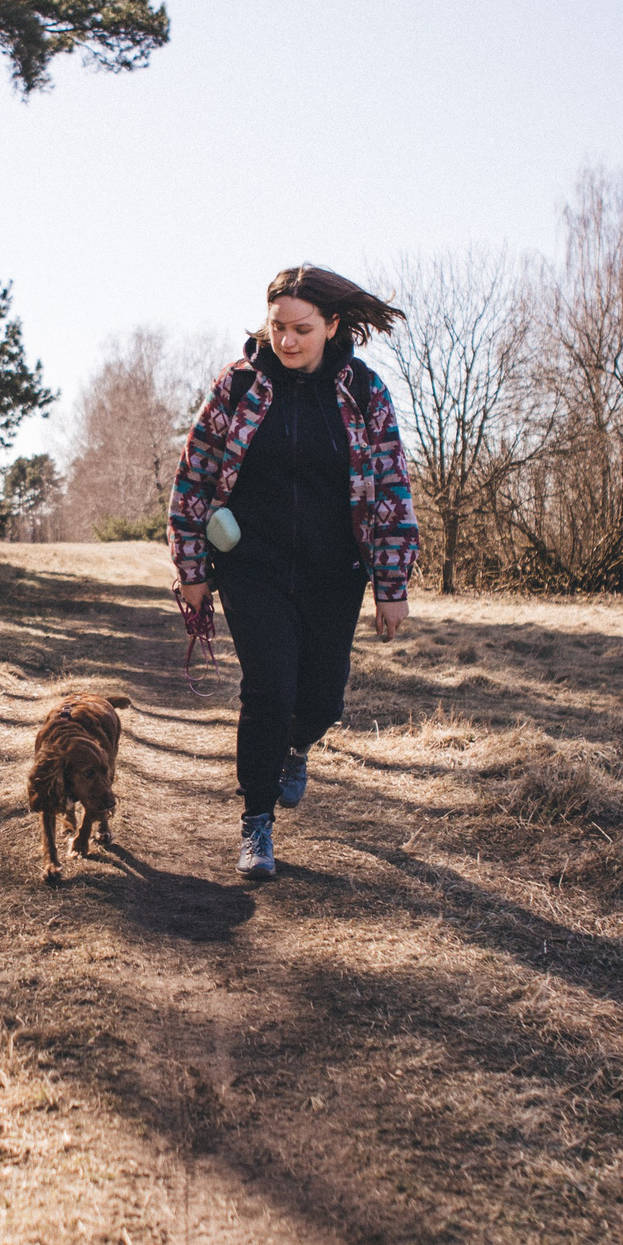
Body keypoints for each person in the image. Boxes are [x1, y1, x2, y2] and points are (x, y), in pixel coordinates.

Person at [167, 265, 417, 878]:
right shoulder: (238, 386)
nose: (286, 340)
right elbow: (194, 477)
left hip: (336, 571)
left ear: (333, 326)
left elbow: (391, 489)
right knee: (269, 689)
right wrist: (193, 567)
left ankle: (296, 748)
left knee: (323, 699)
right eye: (277, 327)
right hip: (254, 566)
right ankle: (257, 821)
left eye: (301, 329)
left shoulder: (364, 391)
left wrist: (392, 584)